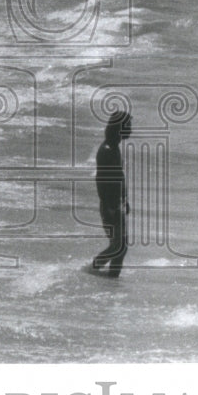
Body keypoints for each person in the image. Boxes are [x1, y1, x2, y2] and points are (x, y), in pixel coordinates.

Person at [92, 110, 131, 277]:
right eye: (128, 126)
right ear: (118, 127)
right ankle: (92, 270)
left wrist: (124, 199)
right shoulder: (107, 150)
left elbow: (118, 176)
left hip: (116, 204)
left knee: (120, 246)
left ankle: (111, 278)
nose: (131, 130)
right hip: (110, 205)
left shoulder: (114, 147)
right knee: (118, 246)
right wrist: (109, 206)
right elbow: (101, 180)